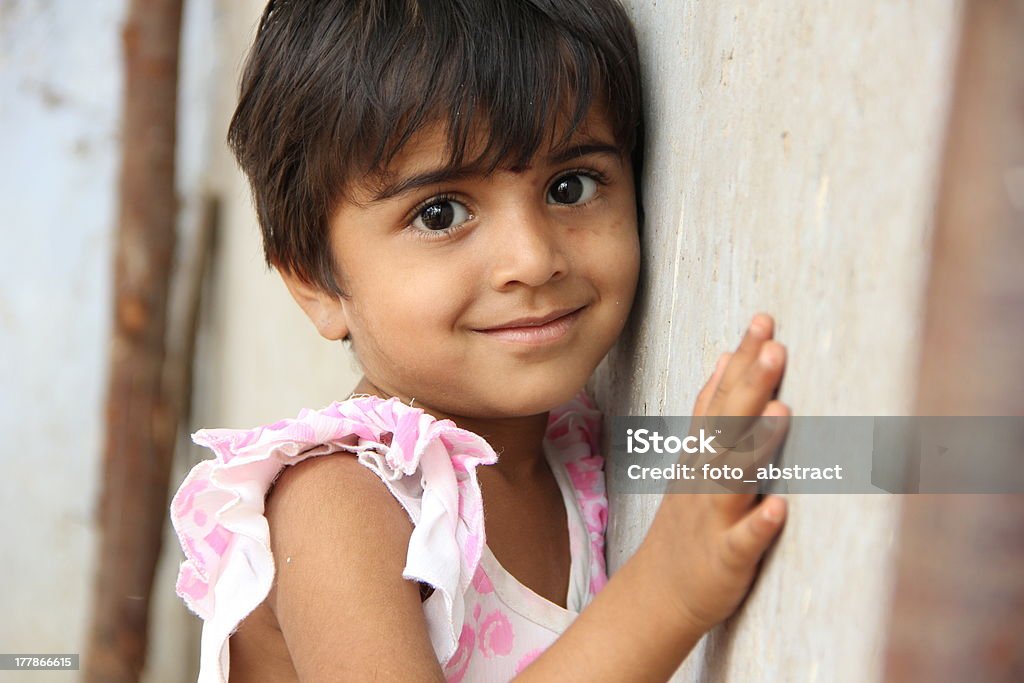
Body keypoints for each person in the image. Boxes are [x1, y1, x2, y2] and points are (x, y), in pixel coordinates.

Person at [170, 0, 791, 680]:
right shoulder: (340, 506)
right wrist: (669, 587)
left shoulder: (572, 449)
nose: (531, 257)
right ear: (316, 284)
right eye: (441, 213)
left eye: (570, 186)